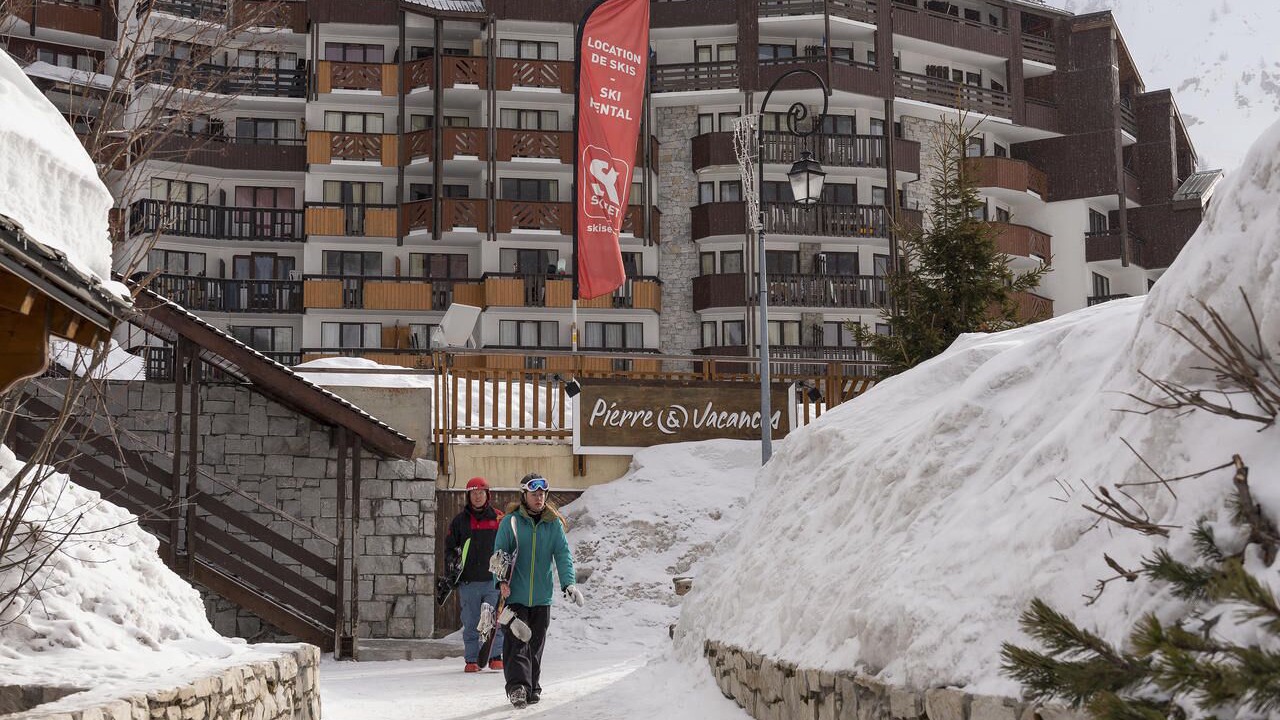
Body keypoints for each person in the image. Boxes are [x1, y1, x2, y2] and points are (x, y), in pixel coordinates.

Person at [492, 472, 584, 708]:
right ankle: (517, 688)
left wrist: (568, 583)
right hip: (515, 596)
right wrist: (500, 582)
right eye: (534, 494)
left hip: (542, 597)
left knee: (534, 646)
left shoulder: (553, 524)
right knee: (516, 644)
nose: (539, 497)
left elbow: (562, 555)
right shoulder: (510, 522)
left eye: (542, 494)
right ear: (524, 495)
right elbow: (499, 554)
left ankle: (532, 687)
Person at [444, 476, 505, 672]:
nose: (477, 497)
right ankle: (472, 659)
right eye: (473, 493)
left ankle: (495, 656)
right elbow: (450, 549)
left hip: (492, 581)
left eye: (480, 493)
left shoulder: (499, 519)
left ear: (487, 495)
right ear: (468, 496)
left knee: (494, 619)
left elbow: (508, 546)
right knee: (470, 621)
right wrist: (451, 570)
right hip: (468, 582)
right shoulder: (459, 521)